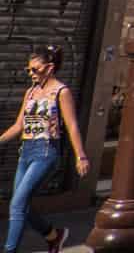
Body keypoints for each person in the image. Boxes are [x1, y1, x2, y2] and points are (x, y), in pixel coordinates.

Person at [0, 45, 89, 253]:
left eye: (35, 69)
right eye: (28, 70)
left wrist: (80, 156)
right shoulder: (31, 92)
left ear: (49, 68)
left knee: (17, 204)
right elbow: (19, 125)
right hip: (26, 151)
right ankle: (53, 235)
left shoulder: (61, 92)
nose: (31, 74)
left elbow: (72, 125)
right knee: (20, 204)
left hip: (46, 151)